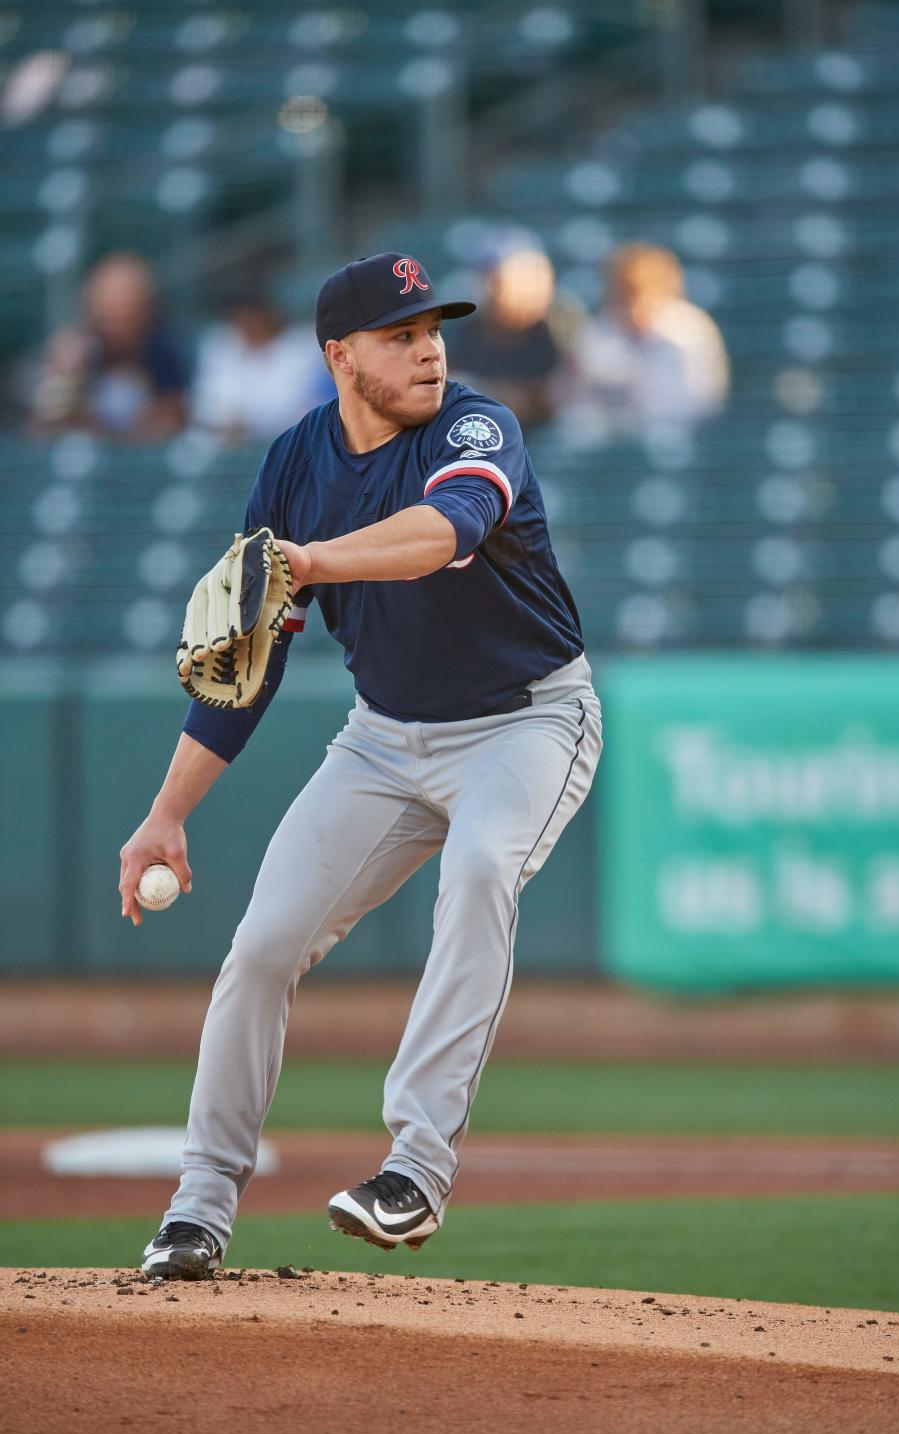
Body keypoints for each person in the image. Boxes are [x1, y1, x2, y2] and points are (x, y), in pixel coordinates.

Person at [119, 252, 603, 1278]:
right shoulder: (297, 462)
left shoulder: (477, 425)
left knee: (480, 872)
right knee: (261, 946)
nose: (430, 351)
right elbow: (249, 660)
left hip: (527, 724)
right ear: (341, 356)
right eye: (402, 336)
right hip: (384, 739)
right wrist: (165, 814)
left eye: (434, 331)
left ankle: (416, 1169)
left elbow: (443, 532)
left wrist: (312, 559)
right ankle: (199, 1207)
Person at [561, 243, 729, 441]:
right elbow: (572, 397)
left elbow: (702, 403)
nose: (633, 305)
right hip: (612, 437)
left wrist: (633, 383)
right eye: (624, 294)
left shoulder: (689, 330)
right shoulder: (603, 327)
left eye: (641, 293)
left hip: (679, 436)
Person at [30, 252, 188, 440]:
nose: (120, 317)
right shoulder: (74, 352)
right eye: (111, 309)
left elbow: (171, 424)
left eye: (129, 306)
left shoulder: (164, 351)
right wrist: (67, 378)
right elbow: (46, 429)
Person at [444, 247, 564, 432]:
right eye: (493, 282)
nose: (496, 293)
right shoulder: (468, 331)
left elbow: (558, 397)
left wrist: (510, 395)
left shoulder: (555, 329)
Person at [191, 291, 336, 443]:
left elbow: (295, 409)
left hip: (281, 444)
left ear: (268, 315)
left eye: (253, 316)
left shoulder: (301, 346)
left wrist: (249, 425)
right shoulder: (220, 345)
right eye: (241, 318)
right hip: (220, 444)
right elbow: (205, 406)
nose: (249, 324)